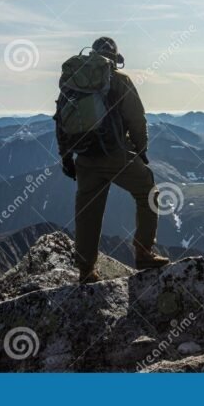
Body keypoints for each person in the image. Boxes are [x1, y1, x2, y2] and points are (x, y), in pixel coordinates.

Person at [56, 37, 169, 283]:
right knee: (148, 191)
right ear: (114, 58)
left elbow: (61, 121)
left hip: (84, 156)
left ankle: (86, 271)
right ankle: (143, 252)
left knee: (88, 211)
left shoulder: (72, 82)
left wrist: (66, 156)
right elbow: (136, 119)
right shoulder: (119, 81)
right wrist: (141, 150)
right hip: (115, 154)